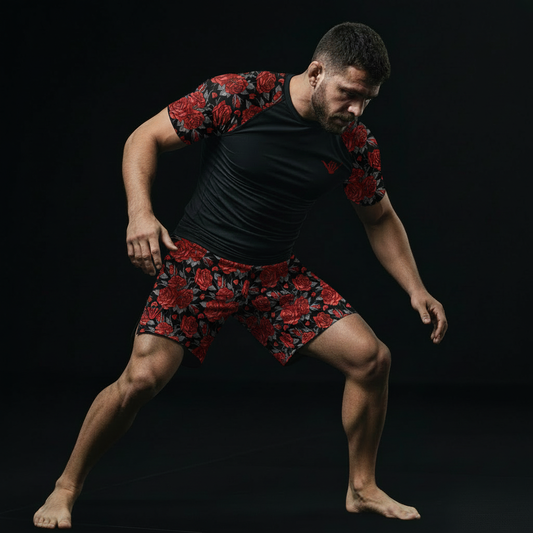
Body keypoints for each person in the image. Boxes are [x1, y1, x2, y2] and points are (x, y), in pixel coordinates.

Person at [34, 21, 447, 529]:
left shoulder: (354, 142)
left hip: (275, 278)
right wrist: (140, 214)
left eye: (368, 99)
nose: (357, 109)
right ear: (316, 72)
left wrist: (416, 289)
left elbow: (379, 218)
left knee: (371, 359)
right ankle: (65, 487)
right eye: (349, 93)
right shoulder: (242, 95)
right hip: (198, 266)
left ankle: (362, 489)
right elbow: (144, 138)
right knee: (140, 379)